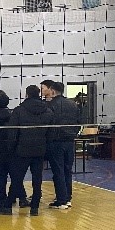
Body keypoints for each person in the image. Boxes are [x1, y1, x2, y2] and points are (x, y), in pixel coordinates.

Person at [0, 85, 54, 217]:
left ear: (27, 94)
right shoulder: (48, 111)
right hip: (39, 150)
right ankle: (35, 207)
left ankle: (8, 206)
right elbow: (51, 132)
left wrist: (11, 148)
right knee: (37, 179)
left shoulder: (19, 110)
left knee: (17, 179)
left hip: (21, 150)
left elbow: (13, 132)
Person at [40, 80, 79, 209]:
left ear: (52, 91)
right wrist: (73, 134)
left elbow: (47, 124)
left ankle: (61, 200)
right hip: (70, 141)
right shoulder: (73, 104)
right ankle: (67, 198)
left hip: (56, 142)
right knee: (68, 170)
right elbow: (78, 122)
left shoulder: (50, 105)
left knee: (58, 171)